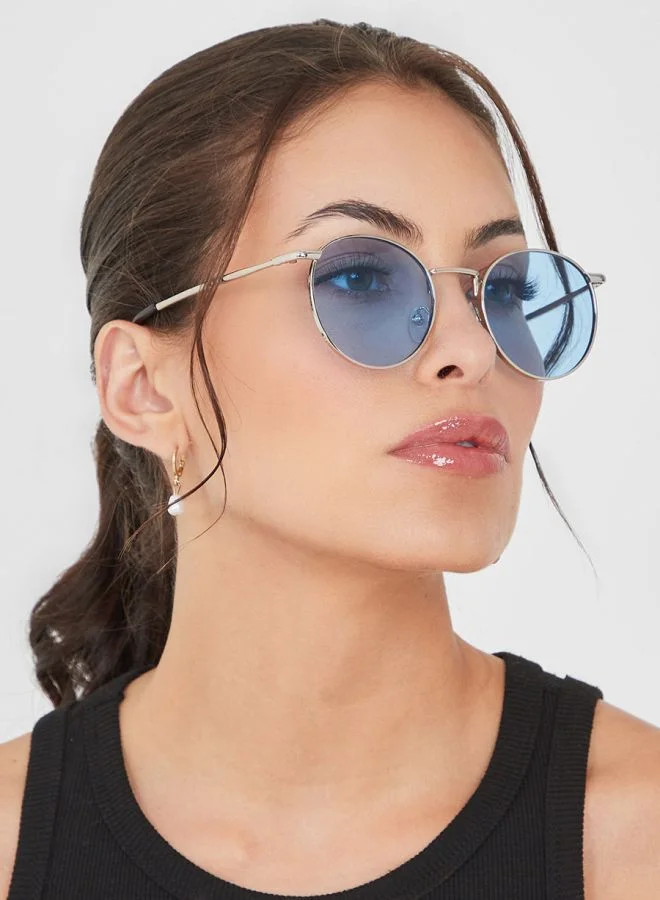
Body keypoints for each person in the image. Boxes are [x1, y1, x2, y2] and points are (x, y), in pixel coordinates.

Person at [1, 18, 658, 900]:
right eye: (360, 279)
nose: (472, 350)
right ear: (144, 388)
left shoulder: (640, 840)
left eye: (504, 289)